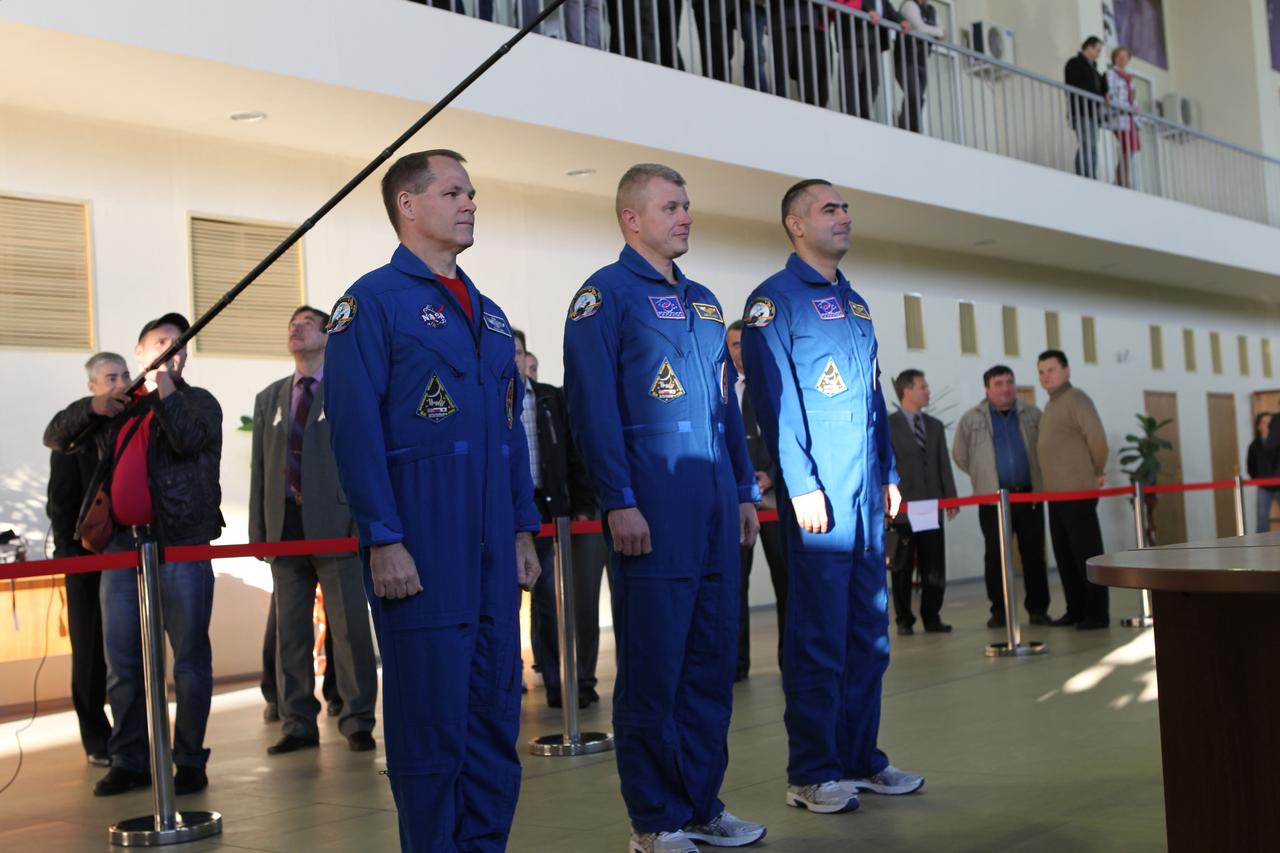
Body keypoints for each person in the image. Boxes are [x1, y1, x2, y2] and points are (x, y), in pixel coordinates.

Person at [323, 149, 542, 852]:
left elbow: (509, 438)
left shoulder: (495, 318)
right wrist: (383, 537)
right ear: (408, 205)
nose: (470, 202)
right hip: (421, 547)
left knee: (492, 717)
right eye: (453, 192)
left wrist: (520, 531)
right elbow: (354, 432)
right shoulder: (371, 304)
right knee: (429, 725)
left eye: (472, 192)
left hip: (489, 552)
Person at [563, 163, 765, 853]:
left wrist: (743, 488)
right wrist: (617, 499)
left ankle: (703, 803)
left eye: (687, 205)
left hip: (713, 509)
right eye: (671, 206)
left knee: (711, 665)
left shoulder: (707, 302)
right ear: (632, 218)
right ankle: (654, 818)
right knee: (655, 669)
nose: (684, 216)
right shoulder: (604, 296)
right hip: (650, 510)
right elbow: (592, 408)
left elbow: (721, 410)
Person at [742, 179, 922, 817]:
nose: (844, 217)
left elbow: (872, 401)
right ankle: (812, 771)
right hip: (819, 494)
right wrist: (801, 484)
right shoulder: (773, 303)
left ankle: (860, 759)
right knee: (818, 636)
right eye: (829, 209)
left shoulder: (857, 304)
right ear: (795, 224)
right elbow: (774, 404)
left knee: (868, 633)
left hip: (866, 492)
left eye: (845, 208)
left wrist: (889, 472)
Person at [44, 312, 222, 797]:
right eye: (162, 342)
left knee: (188, 657)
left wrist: (165, 392)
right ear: (139, 354)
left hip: (181, 540)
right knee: (122, 659)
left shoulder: (198, 402)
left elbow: (187, 441)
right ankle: (130, 758)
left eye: (181, 344)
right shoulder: (116, 410)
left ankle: (188, 758)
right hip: (123, 546)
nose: (174, 349)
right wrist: (92, 406)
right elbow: (57, 437)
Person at [249, 305, 379, 756]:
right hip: (284, 527)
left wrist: (364, 518)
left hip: (337, 525)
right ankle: (297, 720)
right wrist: (257, 532)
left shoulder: (347, 389)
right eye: (291, 323)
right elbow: (260, 469)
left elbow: (364, 457)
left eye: (306, 323)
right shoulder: (269, 398)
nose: (296, 328)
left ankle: (358, 717)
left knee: (349, 628)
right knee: (290, 632)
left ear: (328, 336)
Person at [45, 352, 129, 768]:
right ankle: (96, 734)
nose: (120, 383)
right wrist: (70, 556)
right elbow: (60, 504)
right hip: (83, 557)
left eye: (125, 375)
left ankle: (133, 732)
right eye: (110, 377)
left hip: (129, 553)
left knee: (128, 647)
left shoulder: (134, 425)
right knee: (90, 648)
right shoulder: (71, 436)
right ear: (92, 387)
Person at [511, 328, 601, 709]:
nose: (511, 359)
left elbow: (575, 451)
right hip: (505, 512)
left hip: (548, 509)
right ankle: (508, 681)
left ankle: (556, 683)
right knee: (506, 602)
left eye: (516, 352)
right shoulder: (485, 398)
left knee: (549, 600)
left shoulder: (550, 398)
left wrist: (580, 502)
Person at [952, 365, 1051, 627]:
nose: (1006, 388)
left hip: (1028, 497)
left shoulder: (1032, 414)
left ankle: (1038, 609)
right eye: (999, 383)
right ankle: (999, 610)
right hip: (993, 500)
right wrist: (982, 476)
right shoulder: (972, 419)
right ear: (987, 388)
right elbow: (961, 456)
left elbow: (1046, 448)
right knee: (995, 556)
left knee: (1033, 555)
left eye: (1010, 382)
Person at [727, 319, 789, 679]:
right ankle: (737, 664)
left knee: (787, 582)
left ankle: (789, 658)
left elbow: (789, 434)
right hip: (737, 503)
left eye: (744, 343)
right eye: (734, 345)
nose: (740, 350)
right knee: (736, 587)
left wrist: (772, 474)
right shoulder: (721, 389)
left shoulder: (774, 386)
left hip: (775, 501)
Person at [1036, 350, 1109, 630]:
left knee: (1086, 555)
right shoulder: (1051, 405)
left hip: (1077, 494)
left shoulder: (1076, 399)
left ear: (1066, 371)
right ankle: (1075, 609)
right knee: (1065, 556)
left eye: (1051, 370)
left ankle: (1096, 613)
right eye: (1041, 371)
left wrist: (1097, 471)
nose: (1045, 376)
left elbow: (1098, 440)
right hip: (1055, 496)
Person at [886, 369, 957, 635]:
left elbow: (943, 465)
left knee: (934, 565)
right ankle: (904, 620)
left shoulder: (935, 426)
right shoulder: (888, 425)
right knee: (901, 566)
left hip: (931, 505)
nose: (928, 391)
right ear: (908, 391)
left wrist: (950, 498)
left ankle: (932, 616)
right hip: (902, 508)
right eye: (923, 387)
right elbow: (882, 465)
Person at [842, 0, 910, 121]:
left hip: (874, 43)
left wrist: (902, 21)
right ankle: (849, 115)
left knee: (872, 82)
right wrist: (869, 10)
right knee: (852, 78)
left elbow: (889, 10)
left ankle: (865, 116)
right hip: (856, 38)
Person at [893, 0, 944, 132]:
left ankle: (905, 124)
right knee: (914, 94)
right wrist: (937, 32)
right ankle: (910, 129)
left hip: (921, 59)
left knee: (918, 97)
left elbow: (942, 31)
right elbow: (920, 28)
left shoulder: (931, 10)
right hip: (906, 57)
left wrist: (937, 32)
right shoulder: (909, 5)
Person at [1065, 36, 1108, 179]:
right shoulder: (1075, 63)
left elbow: (1102, 86)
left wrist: (1105, 92)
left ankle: (1091, 176)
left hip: (1092, 114)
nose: (1098, 54)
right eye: (1097, 50)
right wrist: (1098, 94)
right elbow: (1077, 86)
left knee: (1092, 147)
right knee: (1086, 144)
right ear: (1088, 47)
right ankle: (1084, 176)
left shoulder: (1094, 69)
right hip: (1081, 111)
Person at [1105, 46, 1141, 188]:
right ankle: (1122, 181)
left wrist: (1136, 110)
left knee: (1130, 150)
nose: (1123, 60)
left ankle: (1121, 179)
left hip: (1130, 118)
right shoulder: (1111, 74)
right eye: (1120, 57)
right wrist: (1128, 108)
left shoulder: (1129, 78)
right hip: (1119, 116)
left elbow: (1132, 98)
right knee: (1128, 148)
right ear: (1114, 58)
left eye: (1126, 57)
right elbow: (1111, 97)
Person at [1247, 412, 1278, 532]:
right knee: (1262, 518)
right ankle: (1261, 545)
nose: (1268, 426)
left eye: (1270, 423)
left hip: (1279, 485)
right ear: (1259, 426)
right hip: (1264, 487)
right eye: (1265, 423)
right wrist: (1259, 478)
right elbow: (1251, 466)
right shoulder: (1254, 446)